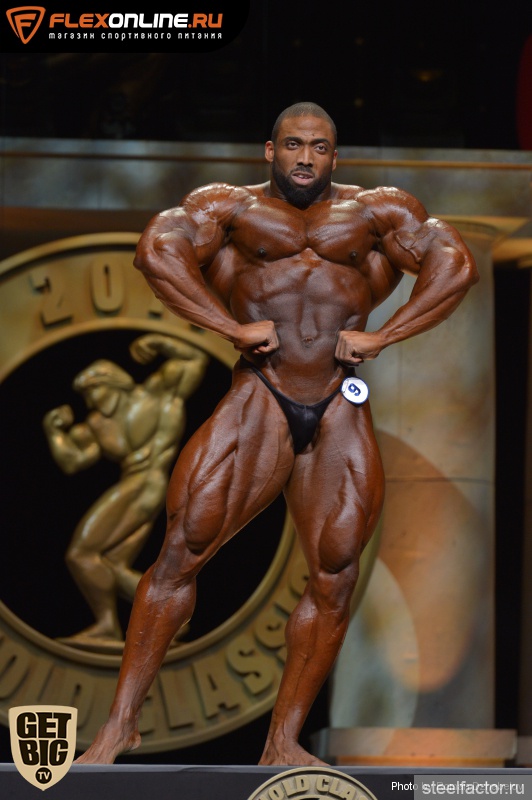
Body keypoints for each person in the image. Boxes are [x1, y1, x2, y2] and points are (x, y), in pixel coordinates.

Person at [76, 102, 478, 765]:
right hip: (260, 393)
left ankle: (282, 743)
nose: (305, 158)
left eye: (319, 147)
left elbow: (454, 263)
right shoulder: (231, 208)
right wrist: (229, 327)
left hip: (338, 402)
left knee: (336, 572)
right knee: (184, 547)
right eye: (293, 145)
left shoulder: (376, 212)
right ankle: (120, 726)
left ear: (335, 156)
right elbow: (156, 251)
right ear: (269, 150)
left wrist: (385, 335)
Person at [43, 334, 208, 647]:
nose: (90, 402)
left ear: (112, 383)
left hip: (147, 483)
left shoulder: (157, 393)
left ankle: (107, 626)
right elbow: (73, 462)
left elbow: (195, 359)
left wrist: (159, 342)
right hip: (138, 485)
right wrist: (54, 432)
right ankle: (170, 616)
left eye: (92, 391)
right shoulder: (97, 424)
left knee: (80, 554)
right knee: (108, 564)